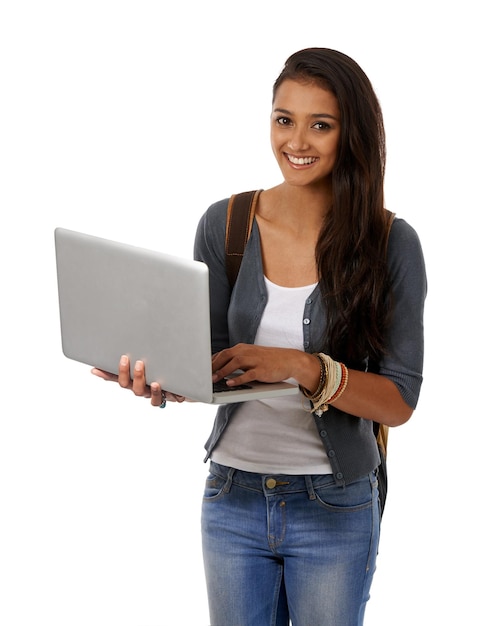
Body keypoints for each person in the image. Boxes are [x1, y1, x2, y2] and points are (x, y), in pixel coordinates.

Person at [92, 48, 426, 626]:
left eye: (321, 124)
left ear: (352, 134)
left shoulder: (390, 242)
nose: (296, 140)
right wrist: (163, 381)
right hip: (231, 498)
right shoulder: (226, 224)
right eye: (283, 119)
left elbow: (398, 402)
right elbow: (214, 365)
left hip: (334, 504)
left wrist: (303, 368)